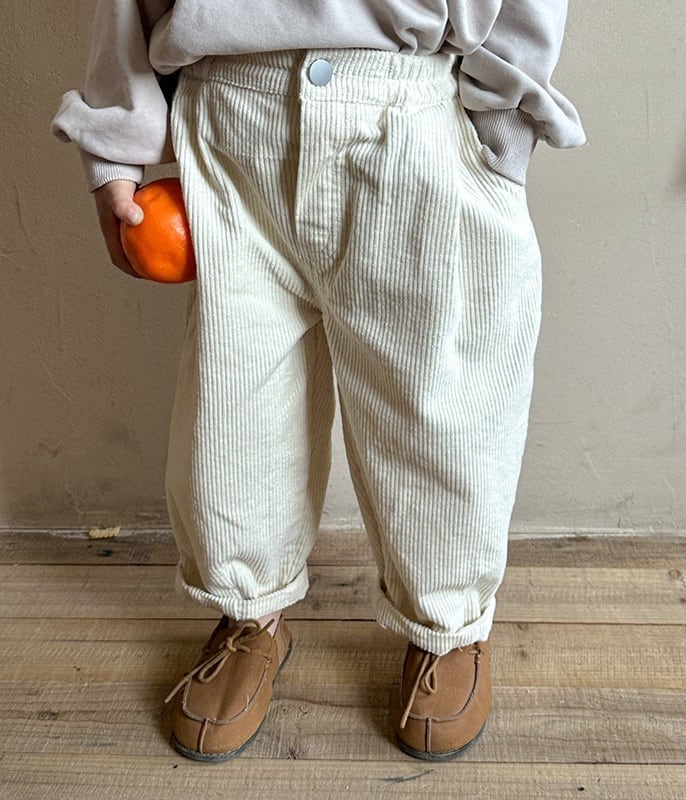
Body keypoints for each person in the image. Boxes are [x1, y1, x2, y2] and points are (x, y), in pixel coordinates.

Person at [52, 0, 585, 764]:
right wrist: (116, 142)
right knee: (235, 399)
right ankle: (250, 613)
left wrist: (503, 128)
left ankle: (448, 626)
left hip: (409, 109)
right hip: (231, 118)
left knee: (436, 403)